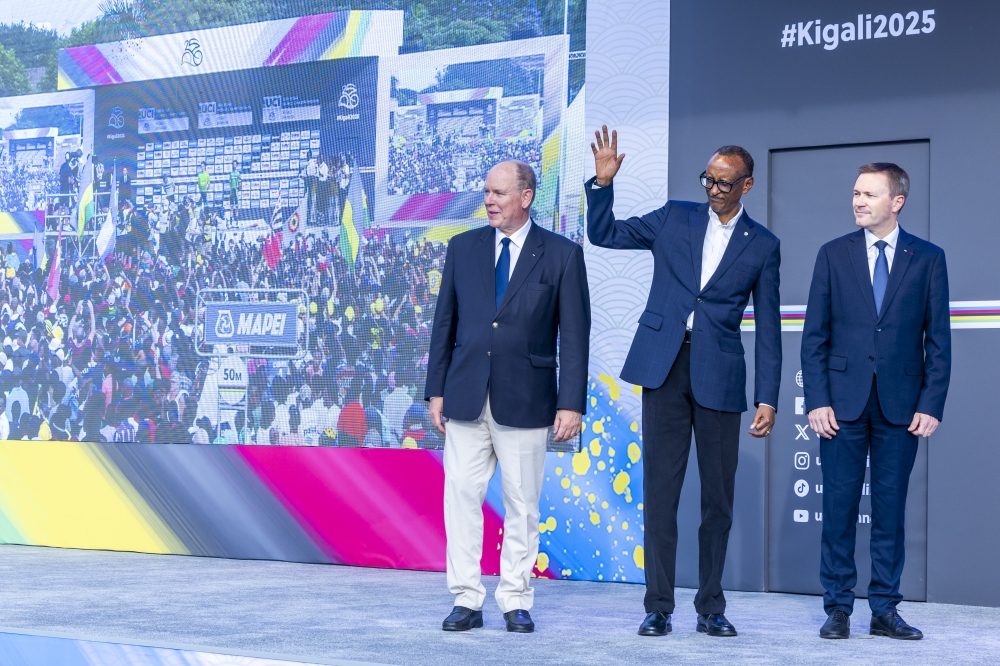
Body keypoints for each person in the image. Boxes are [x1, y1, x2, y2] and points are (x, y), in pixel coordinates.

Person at [586, 127, 781, 638]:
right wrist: (603, 186)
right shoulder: (674, 217)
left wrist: (767, 396)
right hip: (663, 368)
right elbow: (606, 234)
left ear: (747, 186)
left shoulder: (763, 245)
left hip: (719, 374)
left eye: (724, 183)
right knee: (661, 492)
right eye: (708, 180)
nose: (713, 190)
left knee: (717, 498)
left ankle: (711, 606)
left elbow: (769, 328)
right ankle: (658, 605)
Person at [425, 160, 590, 634]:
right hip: (464, 397)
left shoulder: (561, 254)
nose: (489, 201)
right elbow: (445, 325)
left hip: (528, 400)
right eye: (486, 193)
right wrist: (435, 389)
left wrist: (571, 402)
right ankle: (466, 599)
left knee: (523, 504)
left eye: (499, 193)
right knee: (460, 497)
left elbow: (575, 336)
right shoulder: (462, 248)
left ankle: (515, 598)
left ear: (526, 196)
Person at [802, 163, 950, 641]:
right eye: (855, 193)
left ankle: (885, 609)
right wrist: (817, 400)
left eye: (869, 194)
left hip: (902, 406)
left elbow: (939, 342)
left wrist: (931, 403)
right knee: (840, 509)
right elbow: (814, 338)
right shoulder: (832, 254)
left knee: (890, 511)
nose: (858, 201)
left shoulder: (927, 258)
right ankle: (838, 609)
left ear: (897, 201)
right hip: (840, 406)